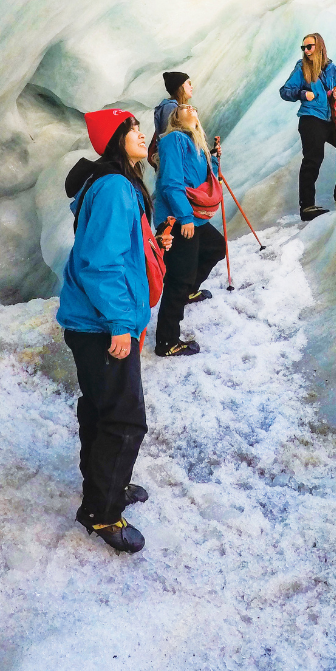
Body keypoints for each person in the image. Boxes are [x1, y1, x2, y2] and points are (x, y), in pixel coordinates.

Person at [58, 107, 171, 555]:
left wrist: (150, 244)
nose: (142, 135)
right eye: (133, 130)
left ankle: (108, 485)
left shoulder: (111, 185)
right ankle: (102, 512)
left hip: (93, 322)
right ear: (115, 140)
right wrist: (121, 324)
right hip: (102, 324)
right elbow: (99, 263)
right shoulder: (114, 188)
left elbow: (115, 251)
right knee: (125, 421)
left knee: (102, 411)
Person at [153, 103, 225, 356]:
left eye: (194, 107)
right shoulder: (173, 139)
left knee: (216, 247)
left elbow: (205, 179)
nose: (191, 107)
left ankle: (189, 291)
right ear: (175, 117)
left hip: (193, 218)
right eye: (184, 107)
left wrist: (214, 159)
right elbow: (171, 184)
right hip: (177, 218)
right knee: (178, 278)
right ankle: (166, 341)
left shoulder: (196, 143)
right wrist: (184, 218)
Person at [279, 31, 336, 222]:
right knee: (313, 159)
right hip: (310, 118)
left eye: (309, 47)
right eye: (303, 48)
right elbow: (285, 91)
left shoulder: (332, 69)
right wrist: (304, 95)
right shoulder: (301, 68)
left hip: (329, 119)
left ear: (319, 46)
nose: (306, 51)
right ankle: (306, 207)